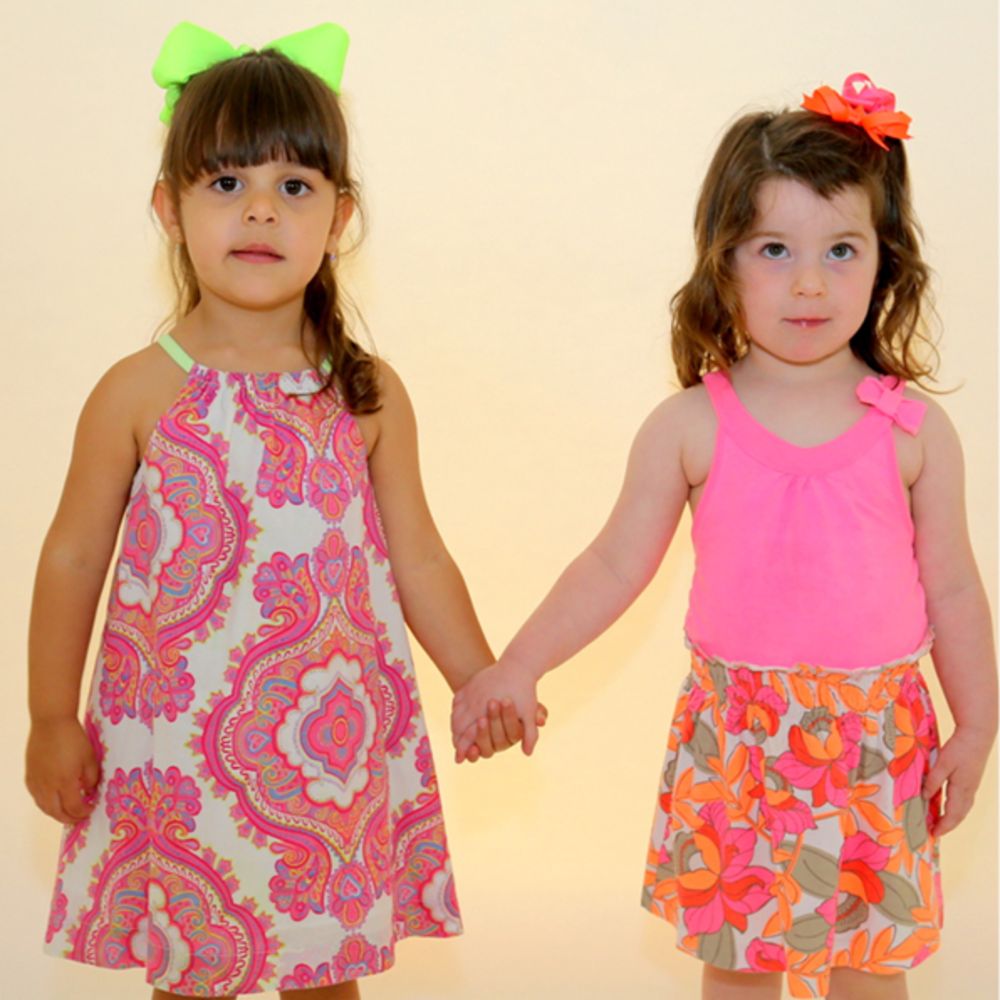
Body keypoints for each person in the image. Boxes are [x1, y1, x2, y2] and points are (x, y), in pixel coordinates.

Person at [451, 74, 996, 1000]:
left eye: (842, 250)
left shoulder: (910, 429)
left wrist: (977, 724)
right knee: (739, 967)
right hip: (739, 744)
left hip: (875, 745)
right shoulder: (692, 424)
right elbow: (614, 562)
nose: (811, 282)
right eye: (775, 249)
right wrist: (519, 663)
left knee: (870, 971)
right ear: (724, 261)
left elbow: (953, 588)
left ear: (885, 261)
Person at [26, 21, 539, 1000]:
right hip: (174, 748)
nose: (260, 212)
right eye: (226, 184)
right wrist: (52, 715)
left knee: (322, 965)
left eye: (293, 188)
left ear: (339, 217)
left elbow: (418, 556)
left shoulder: (365, 392)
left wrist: (479, 673)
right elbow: (70, 556)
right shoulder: (138, 392)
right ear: (168, 208)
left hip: (325, 754)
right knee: (193, 964)